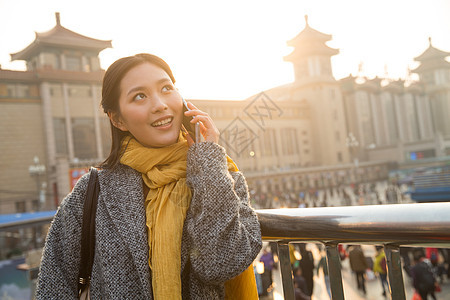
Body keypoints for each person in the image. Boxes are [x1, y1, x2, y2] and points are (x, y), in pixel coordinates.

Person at [35, 53, 263, 299]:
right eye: (139, 96)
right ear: (118, 119)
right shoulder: (92, 192)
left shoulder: (221, 175)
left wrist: (207, 159)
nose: (159, 104)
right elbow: (53, 285)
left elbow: (221, 264)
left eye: (166, 88)